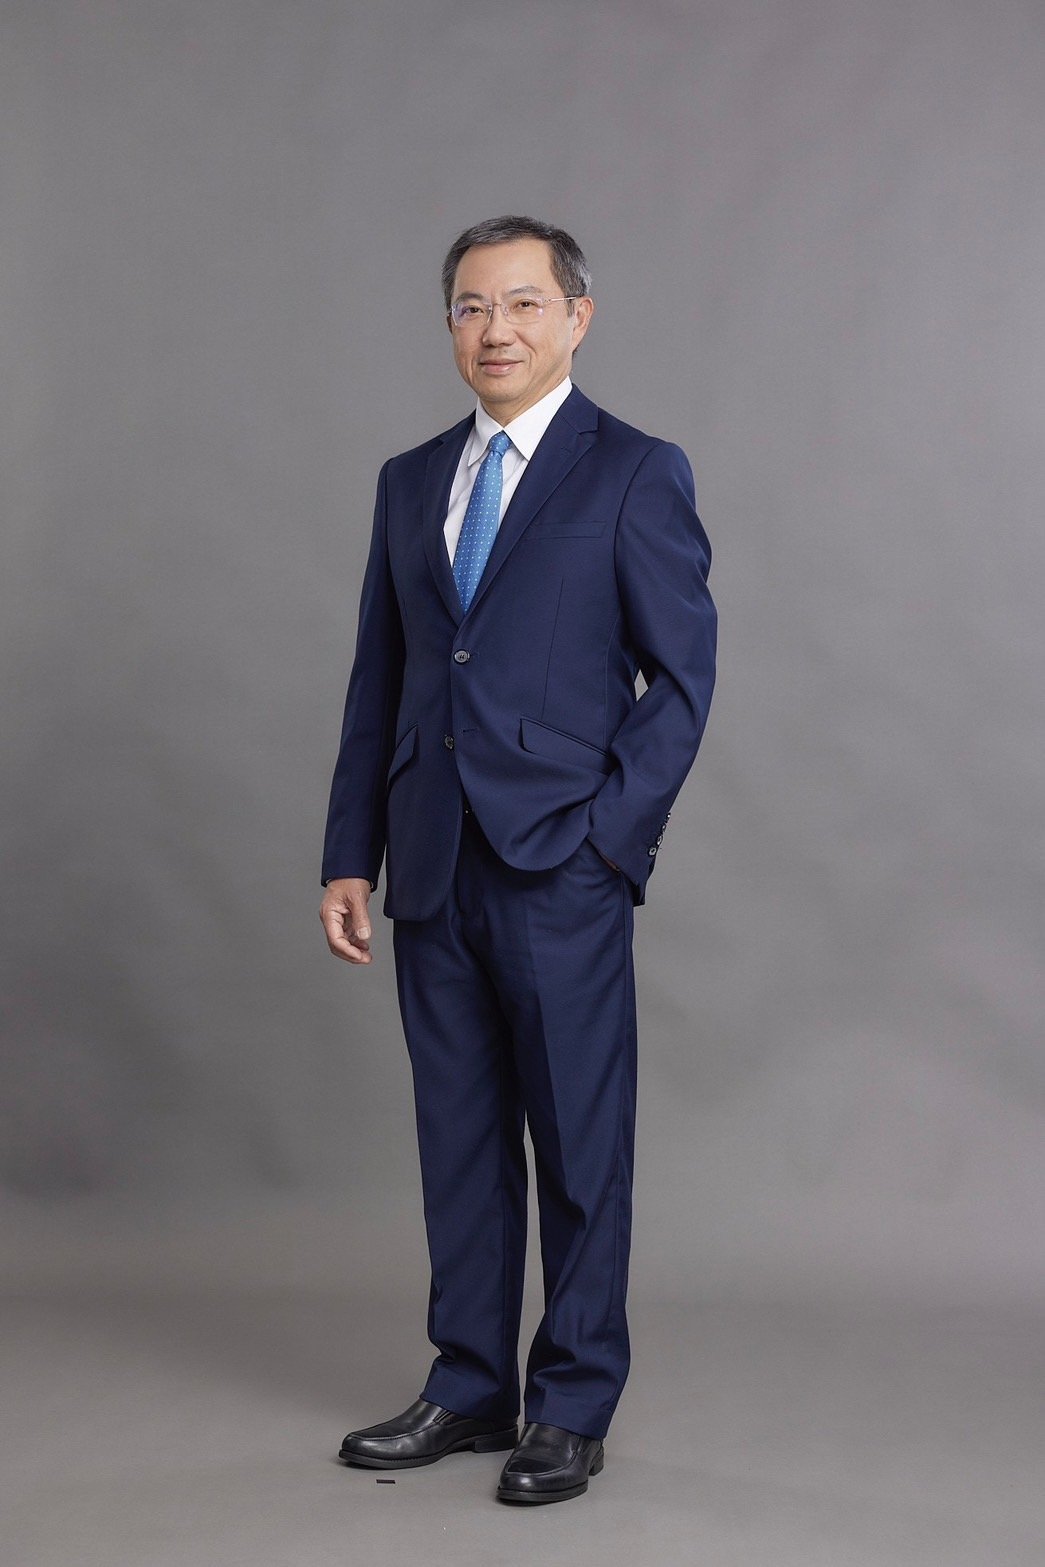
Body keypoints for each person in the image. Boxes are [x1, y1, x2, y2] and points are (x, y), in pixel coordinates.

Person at [320, 215, 716, 1505]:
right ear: (451, 326)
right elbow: (380, 679)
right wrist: (350, 853)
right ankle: (470, 1385)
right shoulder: (408, 480)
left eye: (524, 304)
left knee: (581, 1146)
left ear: (576, 318)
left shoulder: (634, 471)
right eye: (471, 307)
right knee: (460, 1140)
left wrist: (609, 841)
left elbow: (683, 681)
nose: (496, 329)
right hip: (431, 859)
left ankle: (574, 1404)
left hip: (562, 866)